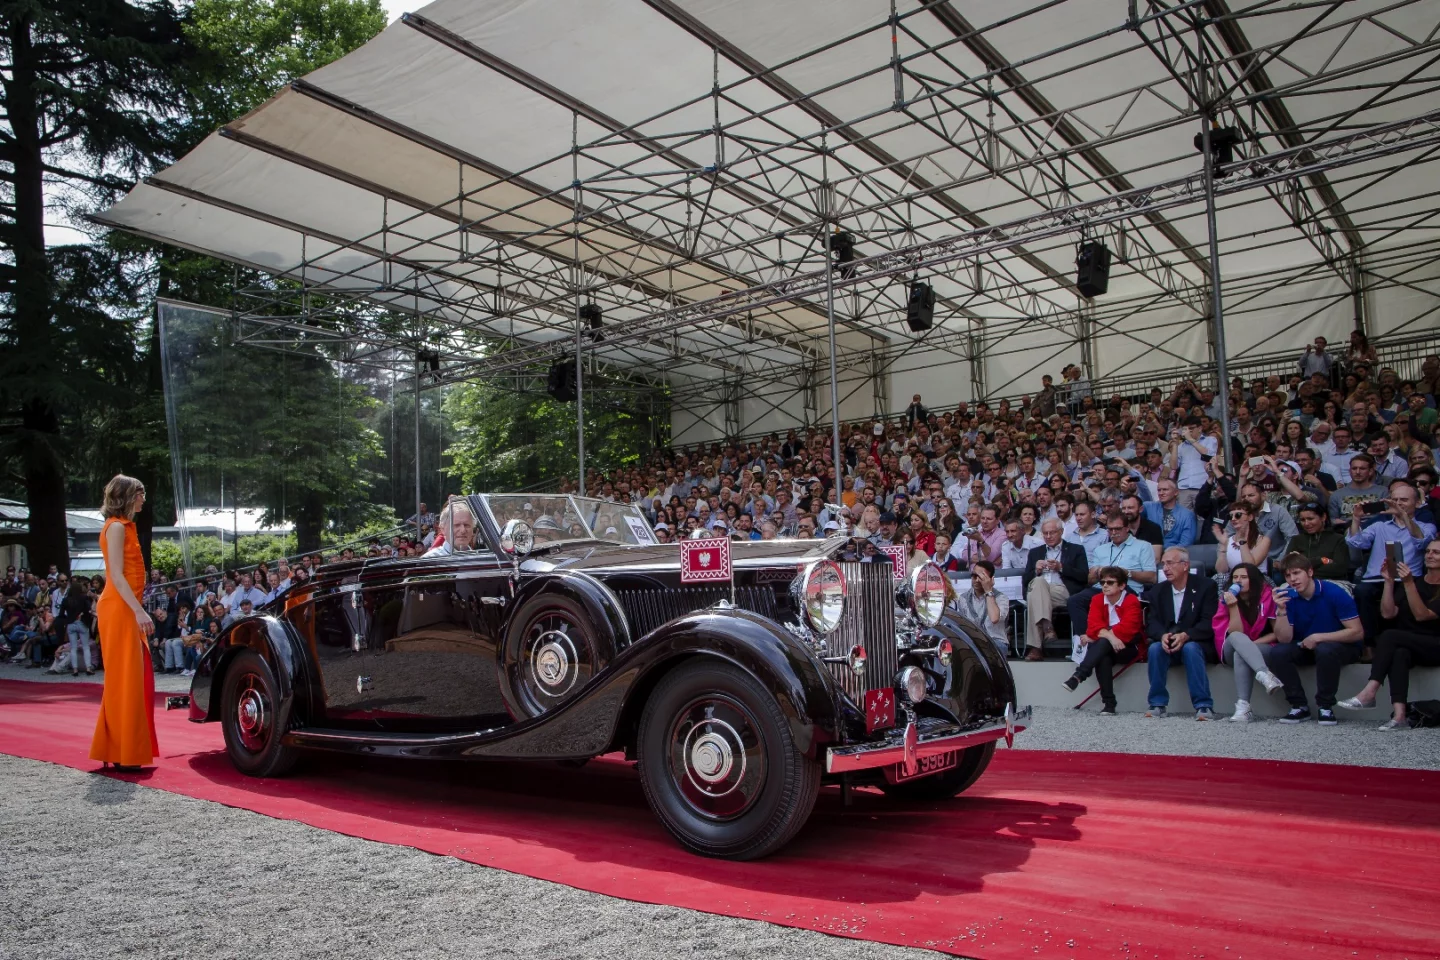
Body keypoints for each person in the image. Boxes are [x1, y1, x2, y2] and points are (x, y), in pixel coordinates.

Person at [89, 474, 159, 772]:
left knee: (131, 677)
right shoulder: (117, 527)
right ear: (128, 496)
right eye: (140, 493)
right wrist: (139, 611)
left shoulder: (123, 527)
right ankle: (123, 750)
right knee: (127, 678)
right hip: (120, 608)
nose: (143, 498)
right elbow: (116, 576)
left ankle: (120, 747)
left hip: (123, 606)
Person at [1337, 540, 1440, 729]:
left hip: (1435, 645)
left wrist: (1408, 583)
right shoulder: (1416, 580)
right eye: (1427, 551)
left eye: (1436, 552)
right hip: (1409, 642)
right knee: (1399, 653)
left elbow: (1422, 615)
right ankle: (1399, 716)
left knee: (1390, 635)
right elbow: (1388, 613)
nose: (1429, 555)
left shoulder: (1412, 582)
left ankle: (1370, 690)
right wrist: (1389, 582)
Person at [1263, 553, 1364, 724]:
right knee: (1279, 652)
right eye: (1288, 575)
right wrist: (1281, 610)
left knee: (1325, 649)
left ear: (1310, 572)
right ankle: (1299, 706)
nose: (1292, 579)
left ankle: (1325, 706)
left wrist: (1319, 637)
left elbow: (1357, 632)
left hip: (1341, 646)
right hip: (1307, 645)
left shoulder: (1334, 592)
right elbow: (1284, 639)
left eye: (1296, 573)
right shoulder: (1289, 597)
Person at [1345, 481, 1435, 643]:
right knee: (1361, 592)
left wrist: (1405, 517)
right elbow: (1356, 543)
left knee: (1402, 596)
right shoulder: (1379, 526)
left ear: (1417, 503)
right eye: (1395, 500)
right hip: (1375, 578)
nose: (1399, 504)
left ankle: (1401, 642)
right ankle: (1369, 645)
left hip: (1408, 578)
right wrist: (1356, 519)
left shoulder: (1426, 526)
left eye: (1404, 500)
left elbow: (1421, 541)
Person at [1143, 547, 1219, 720]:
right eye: (1163, 564)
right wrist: (1162, 635)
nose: (1165, 568)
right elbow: (1152, 622)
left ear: (1185, 565)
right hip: (1168, 642)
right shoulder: (1158, 591)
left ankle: (1204, 706)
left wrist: (1186, 635)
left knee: (1190, 648)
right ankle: (1157, 703)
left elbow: (1209, 622)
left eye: (1170, 563)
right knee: (1155, 649)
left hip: (1197, 642)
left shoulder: (1206, 586)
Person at [1062, 566, 1144, 715]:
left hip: (1130, 647)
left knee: (1102, 643)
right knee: (1103, 656)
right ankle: (1109, 705)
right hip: (1108, 646)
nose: (1105, 585)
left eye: (1110, 582)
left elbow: (1128, 629)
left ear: (1122, 585)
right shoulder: (1097, 599)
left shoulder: (1131, 600)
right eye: (1102, 582)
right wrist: (1110, 636)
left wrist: (1102, 634)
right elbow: (1092, 626)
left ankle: (1080, 675)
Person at [1213, 562, 1284, 722]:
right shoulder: (1226, 599)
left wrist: (1251, 647)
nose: (1238, 581)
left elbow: (1277, 633)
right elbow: (1235, 633)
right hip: (1230, 647)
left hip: (1262, 645)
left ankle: (1243, 707)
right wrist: (1233, 607)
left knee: (1242, 654)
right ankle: (1265, 674)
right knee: (1237, 640)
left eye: (1244, 577)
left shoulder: (1267, 595)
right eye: (1235, 577)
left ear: (1254, 580)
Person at [953, 560, 1009, 654]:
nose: (977, 580)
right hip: (972, 642)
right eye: (974, 576)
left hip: (995, 641)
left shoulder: (1001, 598)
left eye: (982, 577)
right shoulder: (963, 598)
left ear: (991, 579)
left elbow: (994, 618)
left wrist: (988, 591)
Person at [1286, 502, 1352, 581]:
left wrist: (1302, 565)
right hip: (1301, 583)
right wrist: (1321, 560)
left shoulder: (1338, 539)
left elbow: (1339, 569)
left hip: (1333, 582)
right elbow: (1287, 567)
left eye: (1310, 519)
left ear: (1323, 517)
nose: (1306, 523)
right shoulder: (1296, 540)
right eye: (1302, 520)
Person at [1215, 500, 1272, 575]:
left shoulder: (1263, 540)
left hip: (1256, 579)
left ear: (1250, 517)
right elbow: (1221, 571)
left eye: (1238, 515)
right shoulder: (1227, 540)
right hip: (1233, 579)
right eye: (1230, 516)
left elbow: (1250, 567)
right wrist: (1223, 546)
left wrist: (1242, 541)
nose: (1233, 519)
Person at [1142, 478, 1198, 548]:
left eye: (1165, 490)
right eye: (1159, 490)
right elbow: (1132, 510)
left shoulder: (1187, 515)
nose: (1161, 493)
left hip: (1174, 555)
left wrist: (1168, 553)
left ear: (1176, 492)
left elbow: (1186, 543)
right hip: (1149, 552)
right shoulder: (1148, 507)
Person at [61, 577, 95, 676]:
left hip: (71, 624)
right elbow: (88, 610)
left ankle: (75, 669)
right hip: (82, 623)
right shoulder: (84, 598)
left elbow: (61, 614)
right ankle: (88, 667)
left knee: (73, 648)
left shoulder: (66, 600)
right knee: (85, 646)